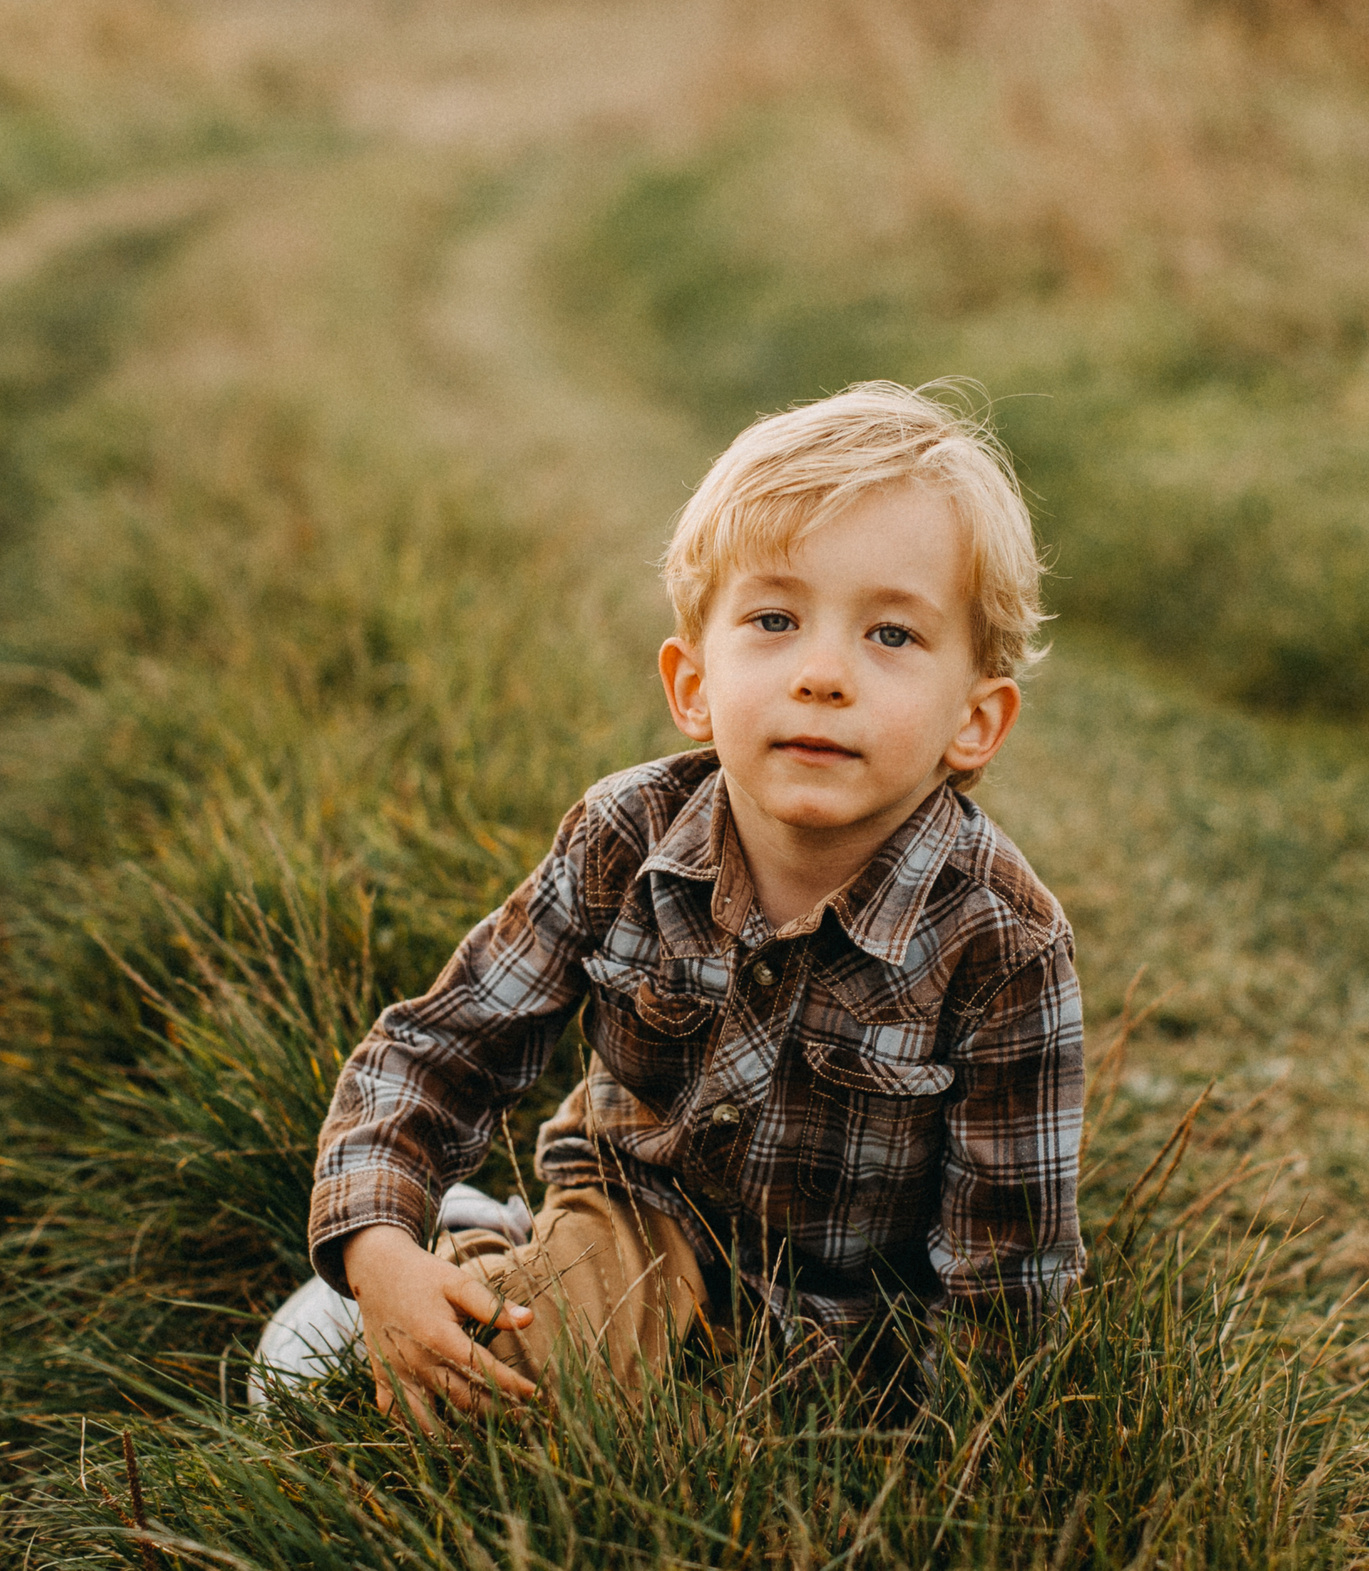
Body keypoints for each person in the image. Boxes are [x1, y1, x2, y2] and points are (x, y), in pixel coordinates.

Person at [285, 381, 1084, 1426]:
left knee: (782, 1459)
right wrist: (375, 1248)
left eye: (891, 635)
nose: (822, 673)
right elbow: (441, 1050)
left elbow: (1005, 1266)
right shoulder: (626, 836)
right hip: (637, 1219)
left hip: (852, 1321)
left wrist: (969, 1456)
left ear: (974, 721)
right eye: (773, 619)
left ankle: (527, 1273)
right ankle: (453, 1272)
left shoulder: (1002, 942)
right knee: (503, 1397)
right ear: (694, 681)